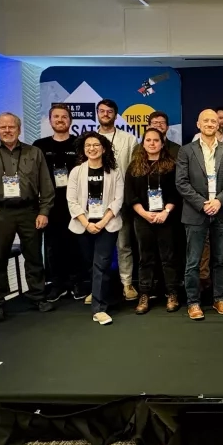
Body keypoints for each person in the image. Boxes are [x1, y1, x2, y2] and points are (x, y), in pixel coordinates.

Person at [0, 112, 55, 322]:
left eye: (11, 127)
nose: (7, 131)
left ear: (19, 128)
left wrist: (44, 212)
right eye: (3, 127)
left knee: (34, 256)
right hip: (1, 212)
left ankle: (37, 296)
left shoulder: (34, 153)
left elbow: (46, 185)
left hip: (29, 212)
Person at [176, 109, 223, 320]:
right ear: (198, 124)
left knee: (221, 260)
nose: (211, 123)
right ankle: (193, 302)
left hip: (221, 212)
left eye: (214, 121)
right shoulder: (186, 151)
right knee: (193, 261)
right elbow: (181, 183)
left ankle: (219, 298)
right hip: (196, 213)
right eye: (206, 120)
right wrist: (203, 204)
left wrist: (218, 201)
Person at [66, 132, 124, 326]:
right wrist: (86, 223)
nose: (92, 148)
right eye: (88, 145)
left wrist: (102, 222)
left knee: (102, 263)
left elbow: (118, 199)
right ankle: (100, 293)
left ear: (104, 148)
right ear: (84, 149)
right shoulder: (76, 172)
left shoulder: (114, 172)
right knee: (91, 264)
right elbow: (71, 201)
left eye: (96, 145)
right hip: (83, 225)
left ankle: (99, 309)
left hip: (107, 224)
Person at [125, 127, 181, 315]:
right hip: (143, 219)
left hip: (166, 218)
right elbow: (130, 196)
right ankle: (144, 294)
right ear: (143, 143)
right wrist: (144, 213)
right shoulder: (134, 167)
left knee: (169, 258)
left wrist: (165, 211)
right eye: (148, 140)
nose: (152, 143)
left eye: (156, 140)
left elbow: (176, 193)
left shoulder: (171, 165)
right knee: (145, 258)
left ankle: (172, 293)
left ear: (162, 143)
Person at [33, 103, 82, 301]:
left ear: (70, 121)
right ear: (50, 120)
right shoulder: (40, 146)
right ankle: (57, 284)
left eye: (64, 117)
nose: (60, 120)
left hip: (76, 205)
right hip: (50, 205)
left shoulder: (80, 143)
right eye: (56, 117)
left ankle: (78, 282)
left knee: (77, 245)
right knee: (53, 247)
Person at [96, 98, 139, 302]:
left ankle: (127, 283)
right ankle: (95, 287)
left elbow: (134, 171)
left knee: (124, 245)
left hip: (121, 201)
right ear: (97, 114)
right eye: (102, 111)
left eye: (109, 111)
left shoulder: (128, 139)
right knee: (97, 248)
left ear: (115, 114)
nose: (105, 114)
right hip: (95, 204)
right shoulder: (90, 139)